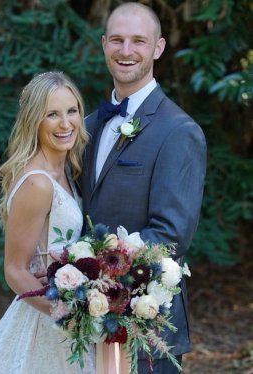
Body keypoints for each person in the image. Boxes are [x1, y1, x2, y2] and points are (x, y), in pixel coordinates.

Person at [80, 2, 207, 374]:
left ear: (158, 47)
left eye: (139, 40)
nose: (126, 50)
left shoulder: (179, 132)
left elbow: (170, 235)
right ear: (104, 44)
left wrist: (93, 272)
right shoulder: (86, 126)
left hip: (146, 323)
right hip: (85, 318)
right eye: (117, 40)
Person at [0, 71, 95, 374]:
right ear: (34, 121)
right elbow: (15, 270)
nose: (66, 124)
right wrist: (67, 315)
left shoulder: (67, 169)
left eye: (72, 111)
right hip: (47, 319)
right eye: (52, 114)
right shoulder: (38, 183)